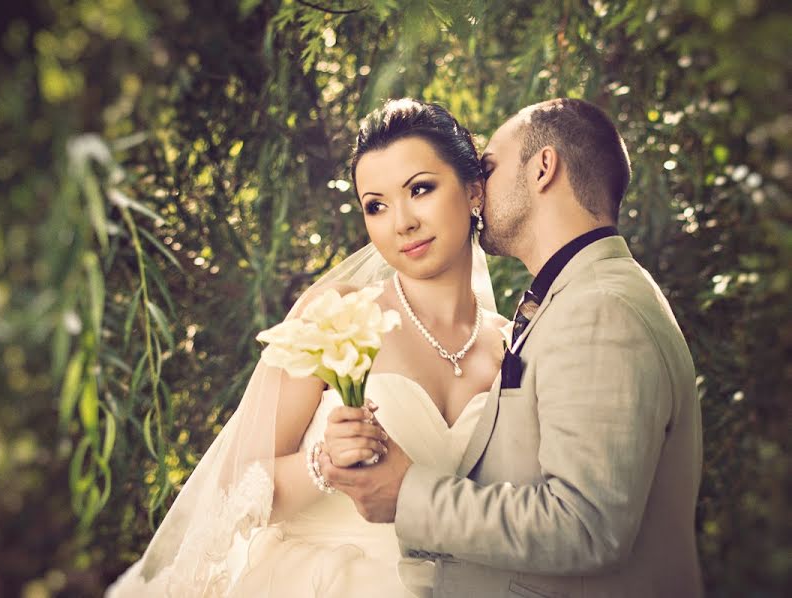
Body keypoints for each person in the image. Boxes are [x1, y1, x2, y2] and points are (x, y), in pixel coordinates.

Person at [105, 98, 510, 597]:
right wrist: (323, 464)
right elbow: (237, 489)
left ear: (473, 192)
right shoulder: (337, 315)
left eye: (420, 189)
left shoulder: (513, 348)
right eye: (376, 206)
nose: (400, 222)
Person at [321, 98, 704, 597]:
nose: (478, 190)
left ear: (544, 168)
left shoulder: (599, 310)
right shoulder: (578, 298)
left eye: (490, 168)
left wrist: (407, 493)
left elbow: (586, 526)